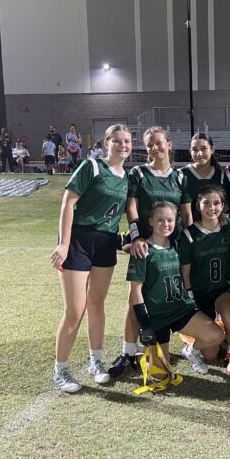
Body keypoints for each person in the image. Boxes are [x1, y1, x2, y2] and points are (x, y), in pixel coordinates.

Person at [50, 124, 132, 393]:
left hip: (106, 244)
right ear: (106, 143)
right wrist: (64, 243)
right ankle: (61, 369)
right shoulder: (92, 166)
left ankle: (96, 362)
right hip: (80, 241)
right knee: (75, 311)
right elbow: (68, 202)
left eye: (127, 141)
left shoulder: (127, 177)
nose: (123, 145)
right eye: (117, 140)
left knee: (97, 304)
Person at [109, 126, 193, 378]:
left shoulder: (180, 177)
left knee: (168, 292)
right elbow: (131, 208)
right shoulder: (138, 173)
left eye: (159, 143)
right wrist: (135, 237)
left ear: (169, 144)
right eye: (149, 145)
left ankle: (166, 342)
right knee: (135, 297)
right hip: (145, 244)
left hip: (171, 245)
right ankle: (127, 352)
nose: (155, 148)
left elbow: (187, 215)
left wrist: (189, 243)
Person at [127, 201, 224, 380]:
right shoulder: (142, 250)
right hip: (157, 316)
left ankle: (191, 350)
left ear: (176, 221)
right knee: (161, 376)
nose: (165, 224)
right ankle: (145, 353)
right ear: (150, 221)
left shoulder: (178, 245)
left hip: (181, 309)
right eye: (160, 220)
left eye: (170, 220)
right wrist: (144, 325)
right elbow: (135, 291)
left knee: (215, 336)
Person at [178, 185, 230, 376]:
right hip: (199, 292)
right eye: (207, 203)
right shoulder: (189, 234)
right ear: (198, 205)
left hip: (223, 289)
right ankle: (191, 347)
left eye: (217, 203)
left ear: (223, 205)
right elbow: (185, 272)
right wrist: (190, 298)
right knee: (211, 353)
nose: (212, 207)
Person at [179, 133, 227, 216]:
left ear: (212, 149)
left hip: (213, 227)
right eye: (195, 149)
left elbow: (225, 206)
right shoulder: (181, 174)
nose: (199, 154)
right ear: (190, 151)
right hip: (188, 227)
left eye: (203, 149)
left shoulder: (220, 175)